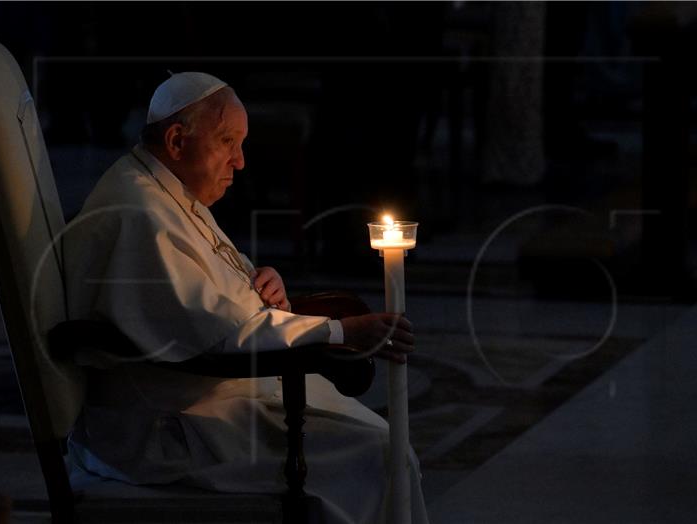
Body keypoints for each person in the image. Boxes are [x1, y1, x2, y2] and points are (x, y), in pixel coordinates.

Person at [64, 72, 429, 524]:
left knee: (381, 442)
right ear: (177, 141)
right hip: (167, 431)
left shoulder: (159, 186)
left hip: (205, 396)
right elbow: (220, 334)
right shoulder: (138, 215)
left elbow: (209, 292)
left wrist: (260, 280)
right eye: (227, 141)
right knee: (384, 457)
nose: (239, 161)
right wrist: (339, 331)